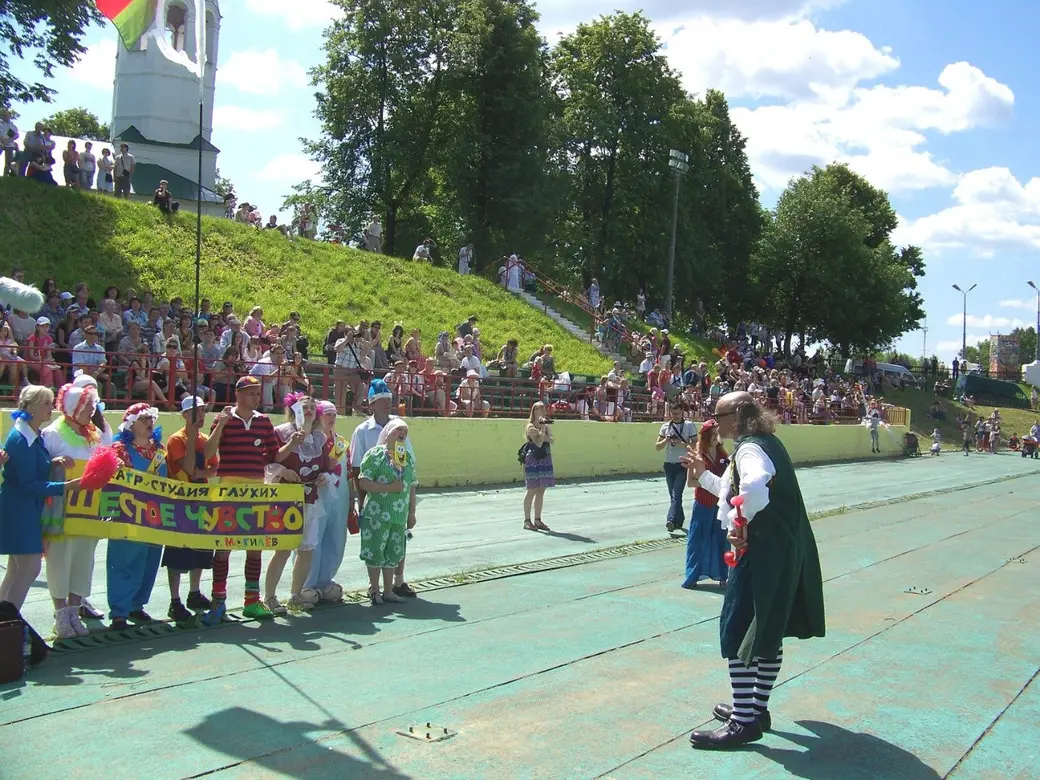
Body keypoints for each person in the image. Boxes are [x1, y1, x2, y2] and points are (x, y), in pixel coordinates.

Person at [682, 391, 825, 749]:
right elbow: (736, 490)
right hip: (782, 550)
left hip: (760, 552)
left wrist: (738, 523)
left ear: (738, 415)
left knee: (737, 629)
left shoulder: (749, 450)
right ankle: (754, 709)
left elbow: (754, 488)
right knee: (766, 630)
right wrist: (703, 476)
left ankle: (744, 722)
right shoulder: (764, 443)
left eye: (719, 415)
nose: (714, 422)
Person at [204, 375, 295, 621]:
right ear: (238, 394)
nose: (256, 397)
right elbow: (208, 453)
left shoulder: (264, 422)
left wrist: (293, 444)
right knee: (223, 548)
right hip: (228, 489)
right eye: (252, 393)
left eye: (258, 393)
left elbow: (275, 456)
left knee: (255, 547)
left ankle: (251, 601)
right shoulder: (223, 419)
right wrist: (220, 425)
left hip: (256, 489)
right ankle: (218, 601)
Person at [40, 382, 113, 639]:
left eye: (93, 405)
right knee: (61, 561)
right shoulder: (52, 433)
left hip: (90, 511)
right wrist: (55, 463)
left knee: (84, 561)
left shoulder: (95, 433)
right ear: (74, 407)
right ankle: (60, 614)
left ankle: (74, 609)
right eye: (89, 405)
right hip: (62, 512)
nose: (93, 410)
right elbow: (41, 470)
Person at [0, 387, 78, 612]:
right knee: (29, 567)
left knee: (17, 569)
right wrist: (66, 487)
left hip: (25, 507)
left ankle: (7, 619)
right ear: (31, 407)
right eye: (46, 403)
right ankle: (10, 619)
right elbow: (28, 484)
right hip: (19, 508)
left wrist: (53, 463)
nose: (51, 407)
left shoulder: (31, 434)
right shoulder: (22, 438)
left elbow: (33, 470)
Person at [350, 379, 417, 599]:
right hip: (376, 502)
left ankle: (396, 583)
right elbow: (357, 469)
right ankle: (375, 587)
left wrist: (411, 510)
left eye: (388, 400)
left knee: (397, 542)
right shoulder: (362, 431)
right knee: (376, 544)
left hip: (397, 505)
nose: (386, 404)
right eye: (381, 401)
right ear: (371, 404)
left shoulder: (400, 429)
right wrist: (360, 502)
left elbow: (410, 474)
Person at [263, 393, 330, 614]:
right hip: (287, 500)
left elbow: (327, 467)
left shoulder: (320, 438)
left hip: (310, 499)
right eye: (304, 407)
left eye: (312, 407)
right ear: (294, 410)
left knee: (307, 549)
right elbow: (270, 461)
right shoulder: (281, 433)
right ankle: (270, 597)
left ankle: (295, 595)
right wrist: (284, 470)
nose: (309, 410)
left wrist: (324, 478)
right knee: (283, 549)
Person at [108, 404, 166, 630]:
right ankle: (119, 611)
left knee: (149, 560)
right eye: (144, 419)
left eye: (151, 418)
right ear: (131, 424)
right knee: (123, 561)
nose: (150, 422)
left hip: (154, 515)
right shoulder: (119, 449)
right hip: (127, 514)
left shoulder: (158, 449)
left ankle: (137, 605)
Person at [163, 396, 218, 625]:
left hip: (201, 498)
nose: (200, 416)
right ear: (185, 415)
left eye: (203, 411)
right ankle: (175, 600)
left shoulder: (206, 439)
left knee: (202, 548)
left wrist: (200, 473)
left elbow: (213, 467)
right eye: (195, 412)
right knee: (177, 550)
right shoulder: (177, 440)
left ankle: (194, 593)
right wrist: (197, 470)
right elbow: (186, 467)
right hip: (179, 500)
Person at [305, 401, 351, 602]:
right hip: (317, 497)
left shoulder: (341, 442)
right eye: (327, 414)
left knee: (335, 538)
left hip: (339, 498)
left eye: (334, 414)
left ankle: (325, 581)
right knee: (313, 540)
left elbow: (347, 473)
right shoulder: (313, 441)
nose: (331, 418)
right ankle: (307, 584)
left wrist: (352, 503)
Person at [682, 418, 729, 589]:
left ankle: (723, 575)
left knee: (721, 540)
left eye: (718, 434)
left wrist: (717, 486)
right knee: (698, 540)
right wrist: (710, 483)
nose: (717, 437)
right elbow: (691, 483)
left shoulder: (724, 456)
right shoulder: (698, 456)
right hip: (703, 504)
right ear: (707, 437)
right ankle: (692, 575)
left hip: (720, 505)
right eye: (713, 435)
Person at [657, 401, 695, 533]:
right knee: (674, 496)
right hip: (669, 464)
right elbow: (657, 447)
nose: (676, 416)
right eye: (673, 413)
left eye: (678, 413)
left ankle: (671, 519)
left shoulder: (689, 426)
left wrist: (682, 443)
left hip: (683, 464)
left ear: (682, 412)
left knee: (676, 494)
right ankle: (680, 519)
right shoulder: (665, 426)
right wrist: (666, 440)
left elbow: (696, 445)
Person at [521, 401, 554, 531]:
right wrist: (543, 430)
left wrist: (544, 432)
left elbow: (552, 440)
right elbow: (539, 442)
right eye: (538, 410)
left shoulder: (545, 425)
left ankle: (538, 519)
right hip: (533, 459)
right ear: (534, 412)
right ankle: (527, 520)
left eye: (542, 410)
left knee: (541, 489)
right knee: (532, 490)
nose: (540, 412)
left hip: (545, 458)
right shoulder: (530, 427)